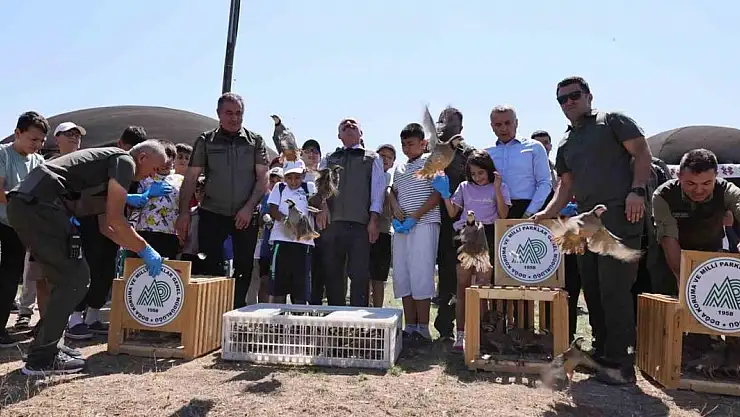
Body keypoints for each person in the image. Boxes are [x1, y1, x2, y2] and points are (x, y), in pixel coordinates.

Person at [7, 140, 167, 375]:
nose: (154, 175)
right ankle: (42, 358)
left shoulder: (107, 169)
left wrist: (136, 247)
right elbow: (116, 220)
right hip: (40, 206)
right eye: (155, 168)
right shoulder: (124, 161)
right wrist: (145, 248)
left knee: (64, 279)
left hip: (28, 204)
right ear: (142, 157)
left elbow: (107, 228)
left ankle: (48, 346)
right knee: (75, 279)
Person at [533, 76, 653, 385]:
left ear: (588, 95)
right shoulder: (565, 141)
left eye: (574, 95)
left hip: (621, 213)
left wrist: (637, 190)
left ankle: (621, 363)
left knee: (614, 288)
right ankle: (603, 354)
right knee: (593, 289)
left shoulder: (612, 121)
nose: (569, 102)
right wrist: (547, 213)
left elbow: (642, 153)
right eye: (562, 99)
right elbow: (565, 186)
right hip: (585, 222)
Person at [176, 92, 269, 309]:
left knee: (244, 267)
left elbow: (263, 177)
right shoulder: (205, 140)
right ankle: (212, 313)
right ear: (218, 113)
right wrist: (183, 213)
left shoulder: (255, 141)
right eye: (229, 113)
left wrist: (248, 208)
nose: (234, 118)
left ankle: (236, 312)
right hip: (212, 212)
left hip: (245, 215)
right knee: (209, 264)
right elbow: (191, 178)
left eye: (238, 113)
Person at [432, 150, 511, 351]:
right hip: (465, 234)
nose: (477, 177)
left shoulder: (500, 186)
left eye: (481, 173)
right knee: (463, 287)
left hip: (488, 234)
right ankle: (461, 335)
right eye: (473, 173)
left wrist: (497, 189)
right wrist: (445, 194)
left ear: (489, 170)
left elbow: (503, 215)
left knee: (483, 287)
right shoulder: (464, 187)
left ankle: (482, 336)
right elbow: (452, 212)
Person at [15, 122, 85, 330]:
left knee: (70, 278)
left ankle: (66, 322)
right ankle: (45, 323)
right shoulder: (45, 165)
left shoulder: (86, 166)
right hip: (45, 229)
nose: (74, 137)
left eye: (77, 135)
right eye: (68, 133)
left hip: (75, 231)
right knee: (41, 277)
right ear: (57, 139)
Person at [315, 118, 386, 307]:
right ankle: (335, 316)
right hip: (332, 225)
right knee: (333, 273)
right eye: (344, 126)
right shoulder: (329, 158)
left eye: (353, 124)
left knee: (360, 274)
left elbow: (378, 192)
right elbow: (321, 187)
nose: (348, 124)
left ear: (361, 133)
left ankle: (357, 319)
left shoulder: (372, 158)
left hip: (360, 225)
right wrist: (322, 206)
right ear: (339, 135)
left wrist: (374, 219)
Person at [652, 149, 740, 294]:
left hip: (712, 258)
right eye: (691, 183)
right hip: (672, 258)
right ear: (679, 176)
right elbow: (668, 239)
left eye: (706, 183)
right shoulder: (664, 195)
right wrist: (685, 281)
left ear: (716, 176)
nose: (699, 190)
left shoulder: (726, 190)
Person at [390, 123, 441, 341]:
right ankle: (410, 326)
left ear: (423, 143)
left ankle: (423, 328)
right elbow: (392, 191)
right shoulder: (399, 168)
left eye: (410, 143)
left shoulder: (431, 162)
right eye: (403, 144)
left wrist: (416, 216)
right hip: (402, 227)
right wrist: (394, 208)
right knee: (403, 274)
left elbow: (437, 195)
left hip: (425, 223)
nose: (406, 148)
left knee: (421, 273)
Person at [0, 112, 48, 348]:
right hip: (3, 220)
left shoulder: (39, 162)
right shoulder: (3, 154)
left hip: (18, 227)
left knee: (10, 278)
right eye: (33, 139)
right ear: (18, 133)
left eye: (41, 141)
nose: (37, 145)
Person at [432, 107, 475, 341]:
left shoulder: (469, 154)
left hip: (458, 222)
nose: (446, 128)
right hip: (432, 219)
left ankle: (460, 328)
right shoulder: (432, 149)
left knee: (459, 275)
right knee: (441, 274)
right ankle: (441, 327)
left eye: (452, 124)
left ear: (461, 128)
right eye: (442, 123)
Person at [266, 160, 317, 304]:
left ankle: (298, 316)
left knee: (300, 289)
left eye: (297, 177)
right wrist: (286, 222)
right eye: (289, 178)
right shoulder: (280, 187)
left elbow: (316, 205)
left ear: (303, 175)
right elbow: (273, 209)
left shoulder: (309, 187)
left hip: (303, 242)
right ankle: (277, 317)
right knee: (278, 288)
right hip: (281, 241)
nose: (293, 181)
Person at [127, 141, 183, 259]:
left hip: (170, 231)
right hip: (145, 230)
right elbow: (135, 203)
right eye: (164, 157)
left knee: (166, 265)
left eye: (170, 157)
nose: (166, 161)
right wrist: (148, 193)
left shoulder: (180, 180)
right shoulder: (145, 176)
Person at [368, 144, 396, 307]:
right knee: (365, 275)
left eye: (389, 157)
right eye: (382, 156)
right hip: (365, 230)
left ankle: (378, 310)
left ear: (393, 163)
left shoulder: (393, 180)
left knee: (379, 277)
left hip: (384, 231)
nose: (385, 159)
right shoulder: (367, 177)